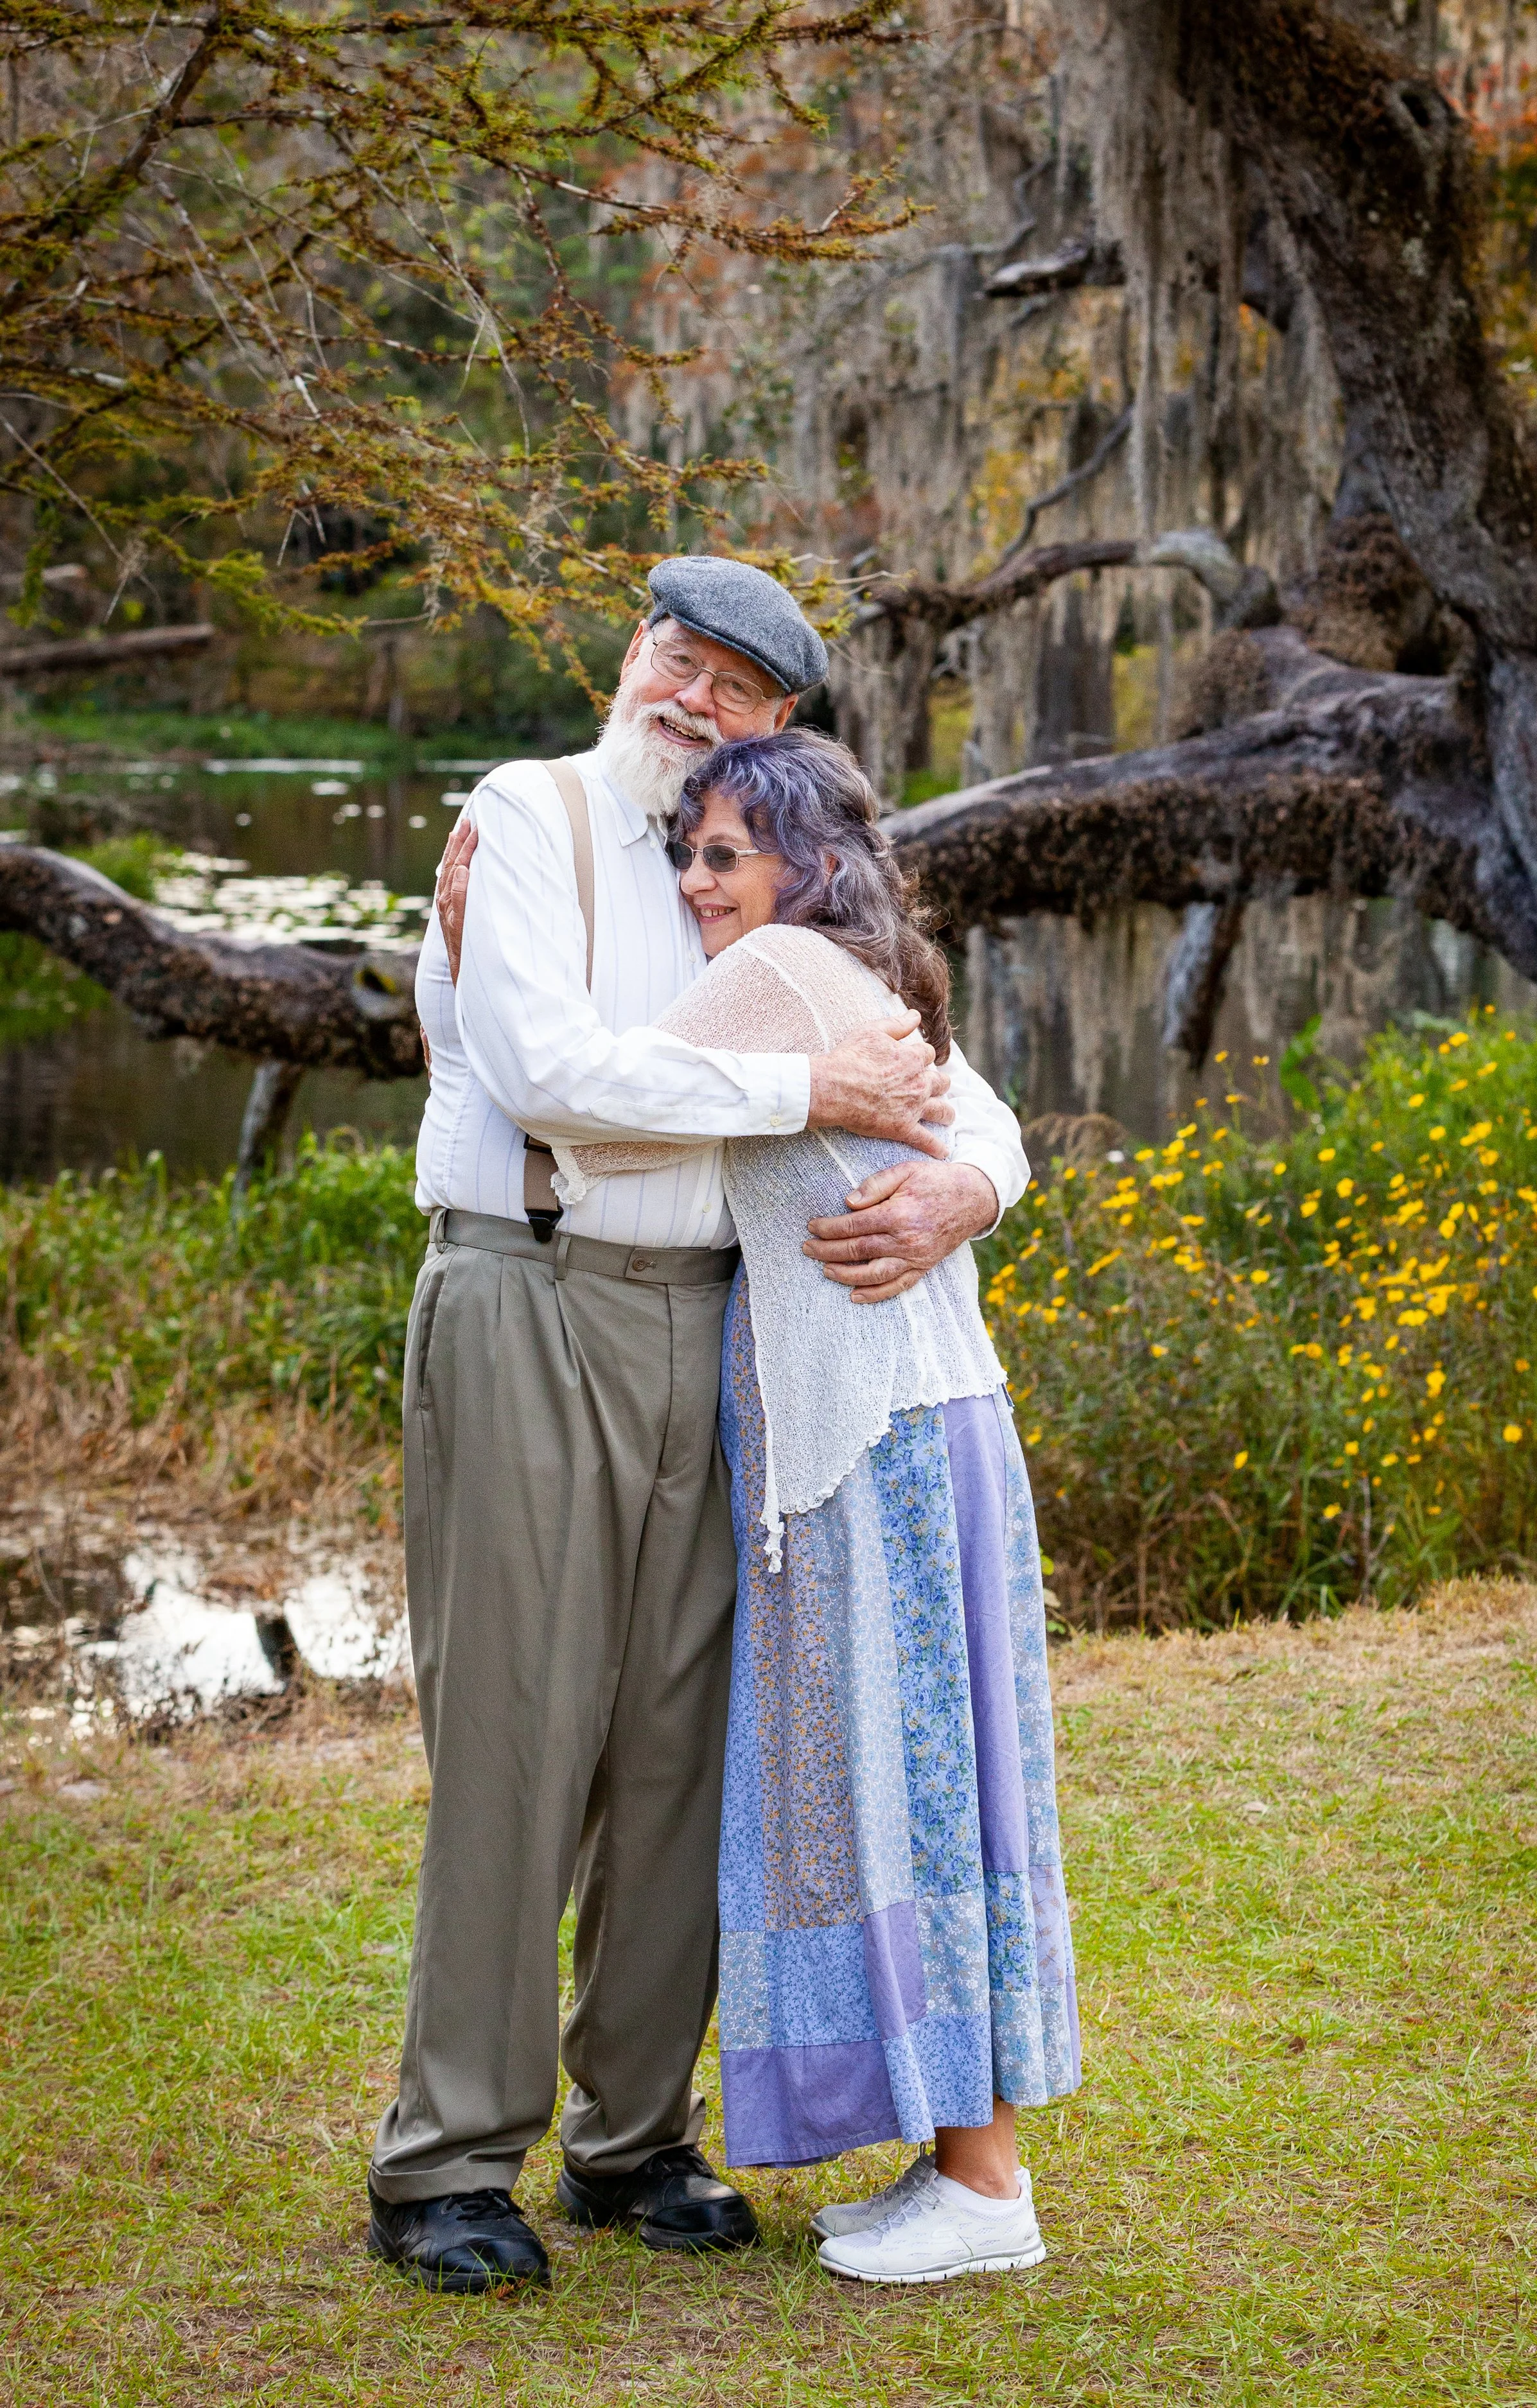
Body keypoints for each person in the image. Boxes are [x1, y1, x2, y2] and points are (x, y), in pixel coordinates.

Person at [365, 556, 1030, 2292]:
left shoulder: (771, 870)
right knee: (520, 1728)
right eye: (682, 655)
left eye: (741, 684)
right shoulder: (524, 817)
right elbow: (552, 1076)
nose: (697, 697)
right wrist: (809, 1090)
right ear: (629, 651)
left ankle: (632, 2132)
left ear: (783, 722)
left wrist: (959, 1181)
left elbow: (960, 1084)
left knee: (684, 1742)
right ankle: (447, 2158)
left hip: (718, 1338)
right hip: (530, 1292)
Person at [547, 726, 1080, 2285]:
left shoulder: (777, 971)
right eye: (686, 854)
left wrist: (455, 959)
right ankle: (948, 2154)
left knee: (913, 1787)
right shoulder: (842, 978)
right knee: (909, 1781)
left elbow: (582, 1106)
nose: (698, 882)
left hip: (886, 1433)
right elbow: (971, 1122)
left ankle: (985, 2190)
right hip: (908, 1421)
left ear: (803, 865)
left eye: (724, 852)